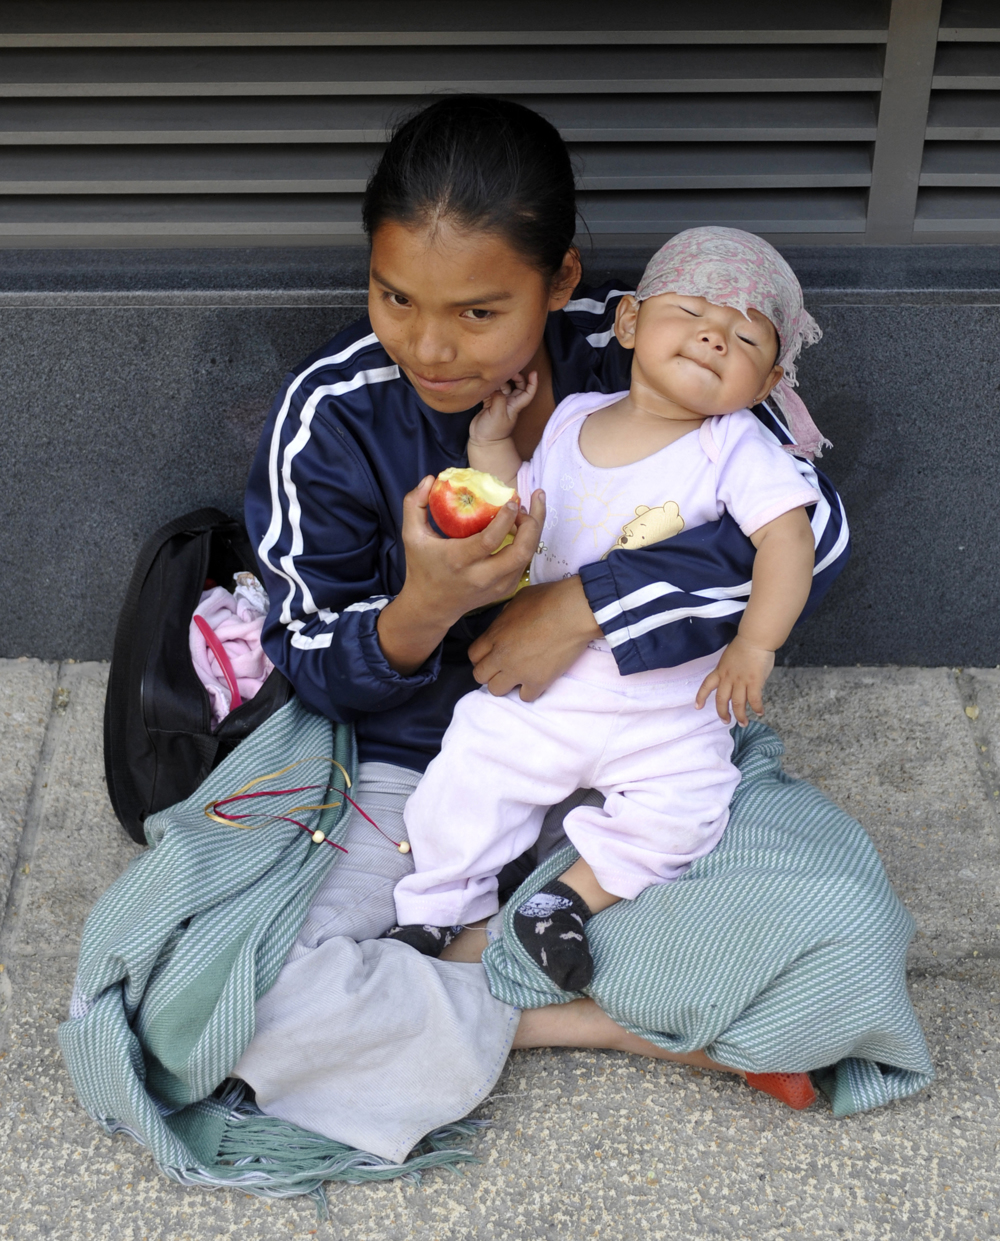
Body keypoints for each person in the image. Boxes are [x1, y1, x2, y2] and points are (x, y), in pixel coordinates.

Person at [234, 96, 853, 1164]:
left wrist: (578, 605)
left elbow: (812, 529)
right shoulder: (336, 412)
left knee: (845, 937)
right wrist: (423, 606)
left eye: (480, 312)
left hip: (637, 747)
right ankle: (591, 1020)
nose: (430, 344)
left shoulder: (643, 347)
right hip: (427, 766)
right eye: (394, 296)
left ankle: (443, 982)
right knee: (230, 993)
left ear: (563, 283)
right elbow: (305, 651)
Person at [390, 227, 828, 992]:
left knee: (694, 806)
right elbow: (524, 505)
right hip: (545, 690)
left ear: (766, 386)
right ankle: (436, 903)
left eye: (745, 336)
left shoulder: (734, 449)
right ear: (627, 323)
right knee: (467, 769)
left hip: (666, 701)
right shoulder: (572, 418)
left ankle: (567, 897)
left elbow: (790, 540)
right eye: (690, 310)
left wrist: (756, 646)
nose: (712, 335)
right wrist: (489, 441)